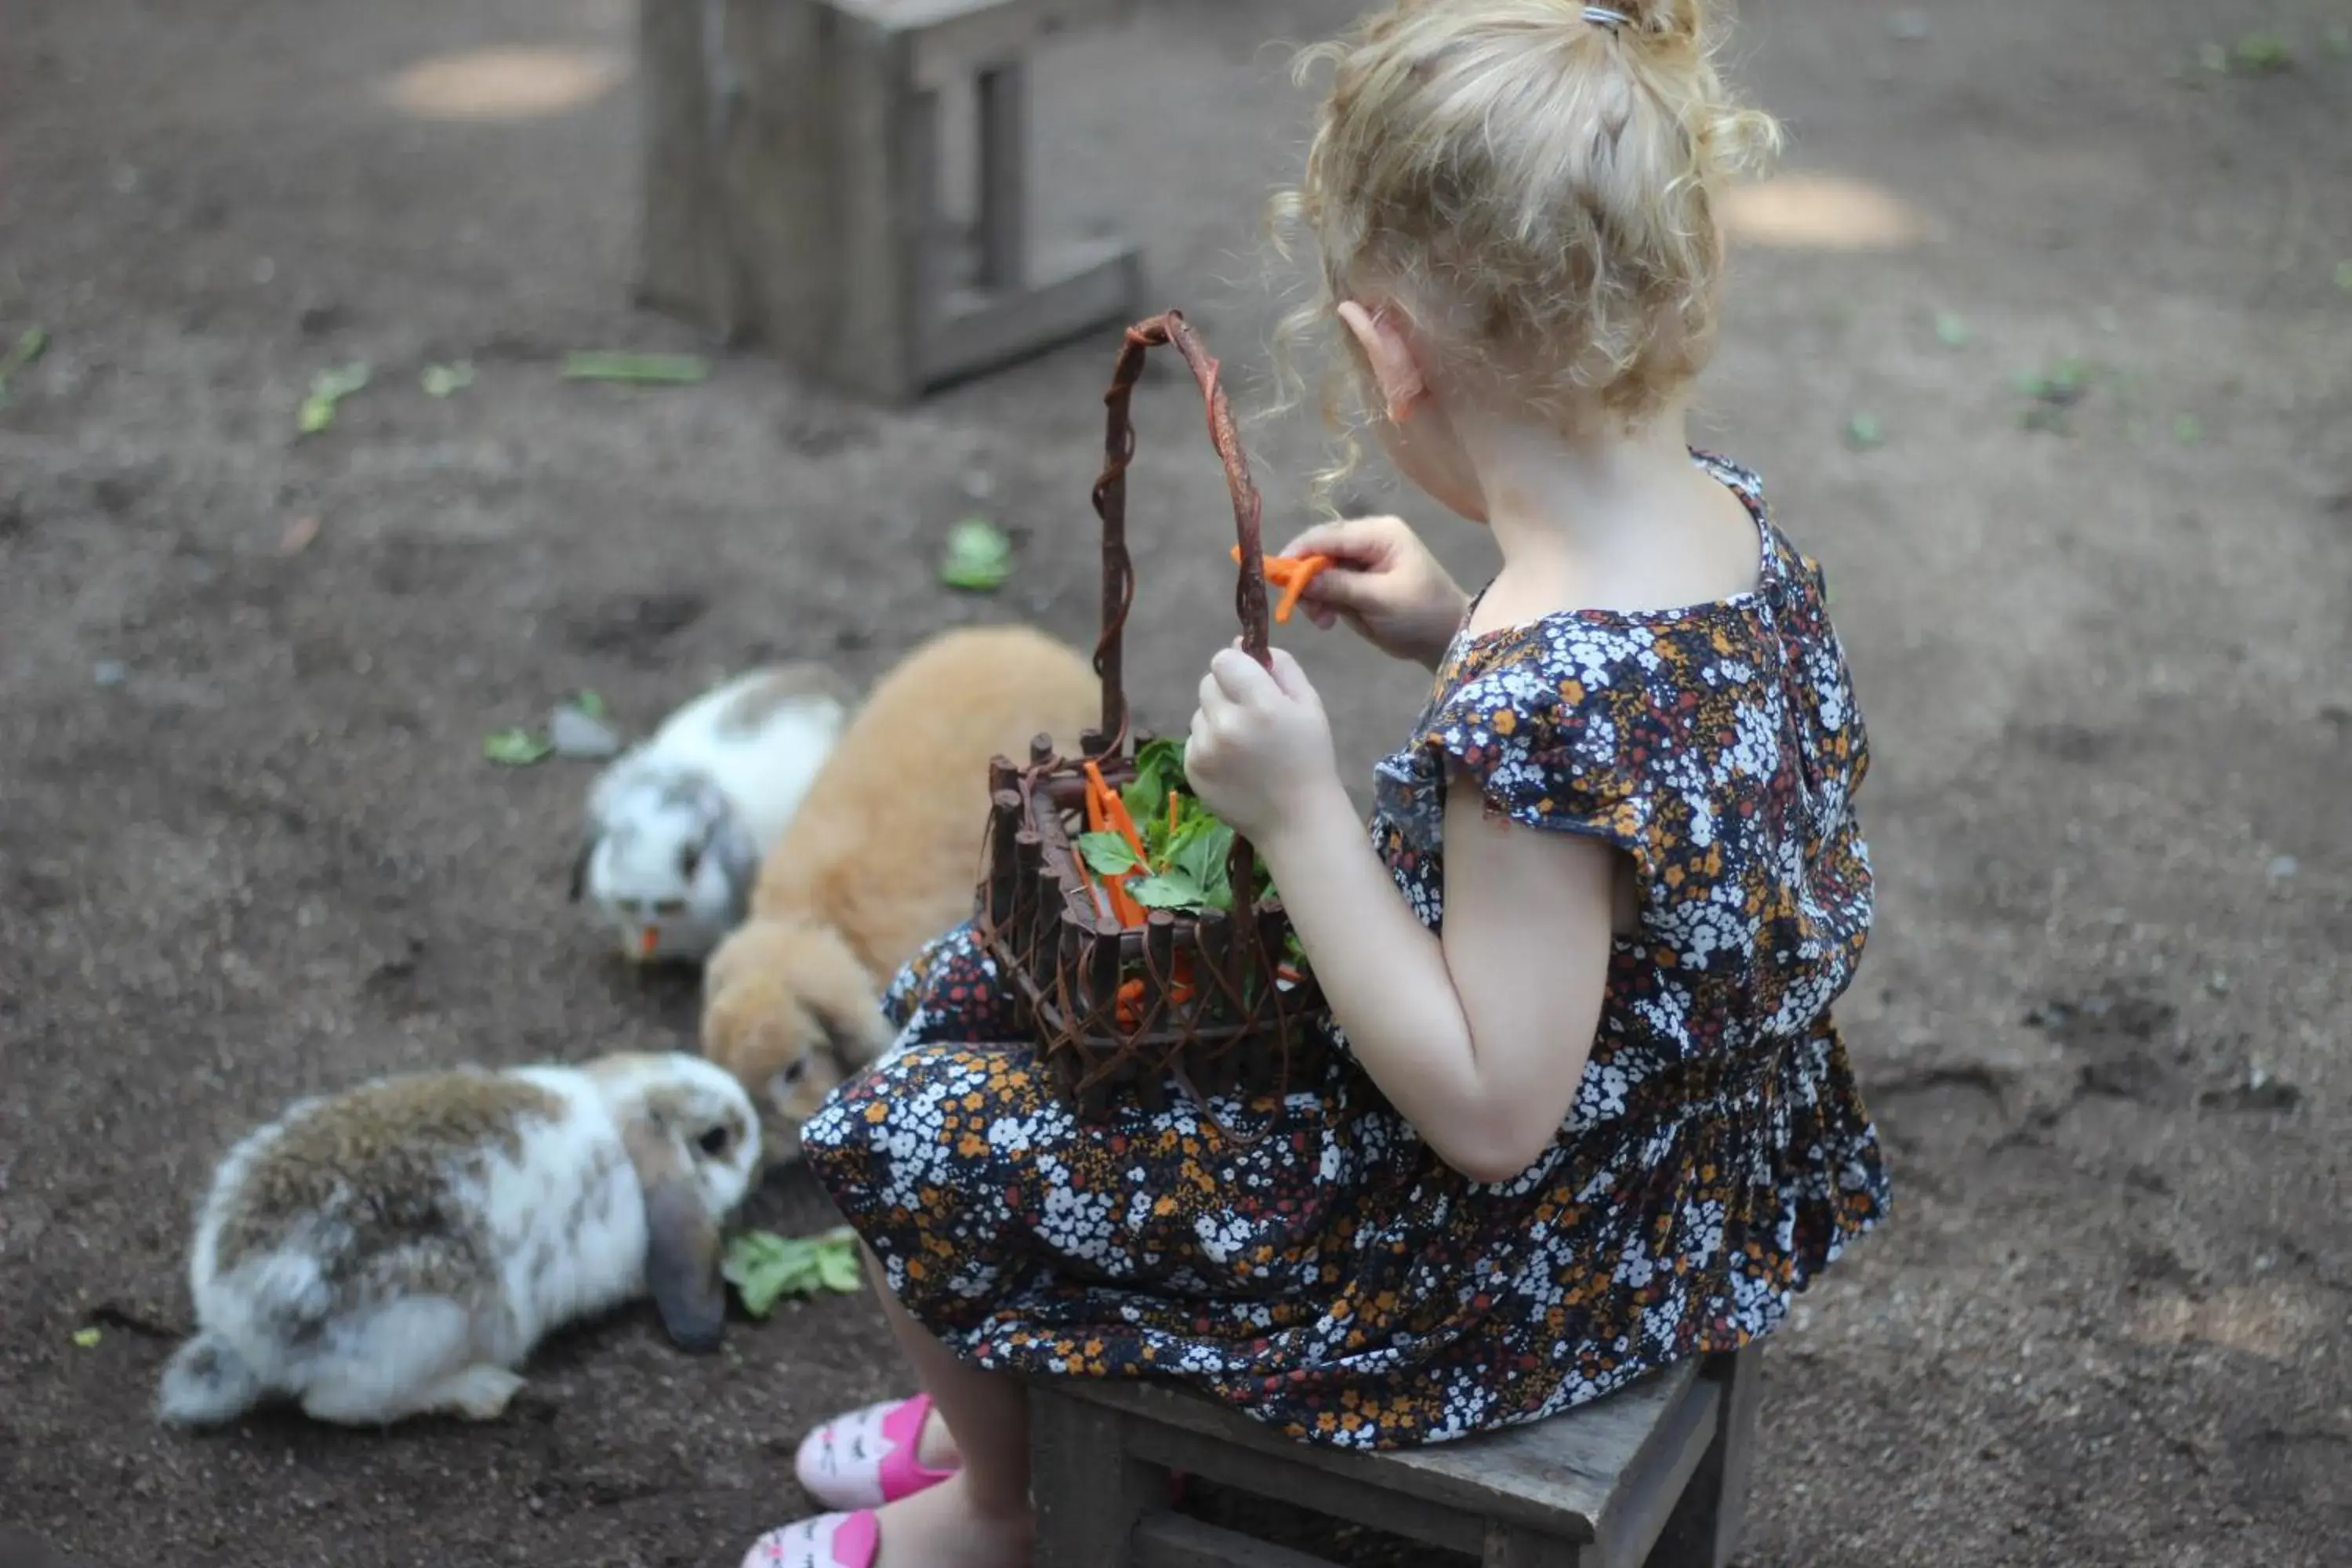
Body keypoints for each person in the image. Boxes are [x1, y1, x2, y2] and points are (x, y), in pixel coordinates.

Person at [742, 2, 1889, 1563]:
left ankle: (1003, 1509)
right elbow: (1634, 798)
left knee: (910, 1121)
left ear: (1383, 350)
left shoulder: (1542, 697)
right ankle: (998, 1408)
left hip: (1490, 1267)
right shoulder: (1726, 533)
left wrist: (1302, 813)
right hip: (1666, 1181)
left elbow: (1489, 1109)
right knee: (981, 975)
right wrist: (1447, 626)